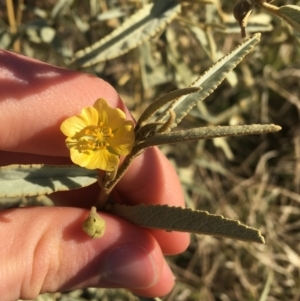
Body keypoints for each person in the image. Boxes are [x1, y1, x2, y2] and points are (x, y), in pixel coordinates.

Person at [0, 49, 190, 301]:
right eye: (98, 133)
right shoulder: (93, 151)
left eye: (101, 133)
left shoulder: (114, 146)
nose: (98, 135)